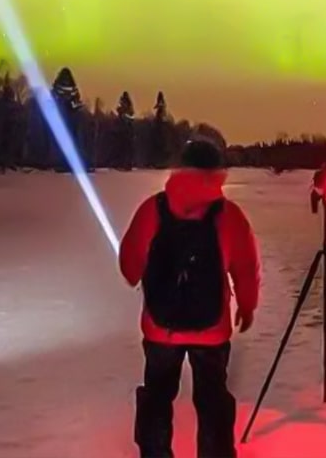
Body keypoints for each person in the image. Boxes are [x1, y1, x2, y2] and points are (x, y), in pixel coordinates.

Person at [118, 137, 261, 458]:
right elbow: (247, 266)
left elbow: (129, 266)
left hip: (160, 327)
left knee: (157, 396)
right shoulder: (229, 215)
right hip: (212, 330)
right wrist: (247, 306)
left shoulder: (152, 210)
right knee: (212, 402)